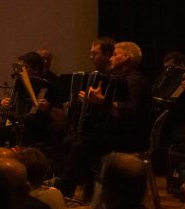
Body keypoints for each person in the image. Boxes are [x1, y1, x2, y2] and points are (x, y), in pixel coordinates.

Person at [58, 41, 152, 200]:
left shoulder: (135, 80)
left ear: (126, 57)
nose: (111, 59)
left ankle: (64, 192)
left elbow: (131, 112)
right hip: (118, 132)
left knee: (82, 144)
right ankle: (90, 189)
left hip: (131, 137)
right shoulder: (118, 78)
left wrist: (101, 100)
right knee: (71, 141)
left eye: (115, 55)